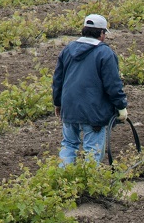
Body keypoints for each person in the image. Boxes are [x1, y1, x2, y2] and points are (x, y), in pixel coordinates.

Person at [53, 14, 128, 166]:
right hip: (94, 112)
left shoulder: (67, 50)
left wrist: (58, 103)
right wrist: (121, 106)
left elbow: (58, 80)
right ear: (101, 33)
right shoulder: (105, 53)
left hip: (69, 107)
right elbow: (113, 84)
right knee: (92, 149)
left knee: (69, 144)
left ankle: (63, 177)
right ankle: (89, 179)